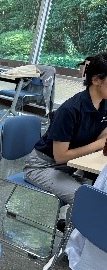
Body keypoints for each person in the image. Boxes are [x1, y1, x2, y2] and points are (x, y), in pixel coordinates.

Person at [24, 53, 107, 208]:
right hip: (42, 166)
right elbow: (61, 156)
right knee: (89, 201)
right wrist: (99, 144)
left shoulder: (104, 103)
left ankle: (72, 228)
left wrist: (101, 141)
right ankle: (73, 231)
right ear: (96, 80)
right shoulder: (70, 110)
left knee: (100, 192)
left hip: (73, 166)